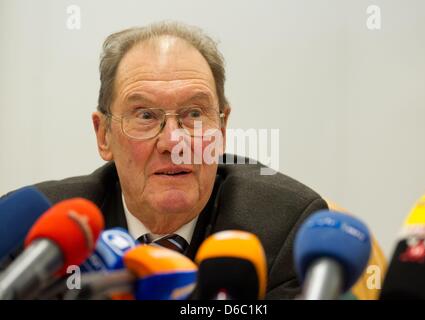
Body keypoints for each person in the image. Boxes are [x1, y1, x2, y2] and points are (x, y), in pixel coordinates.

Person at [1, 21, 383, 299]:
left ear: (223, 128)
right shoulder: (39, 236)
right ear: (104, 136)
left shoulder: (284, 227)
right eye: (146, 116)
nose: (174, 141)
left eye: (195, 115)